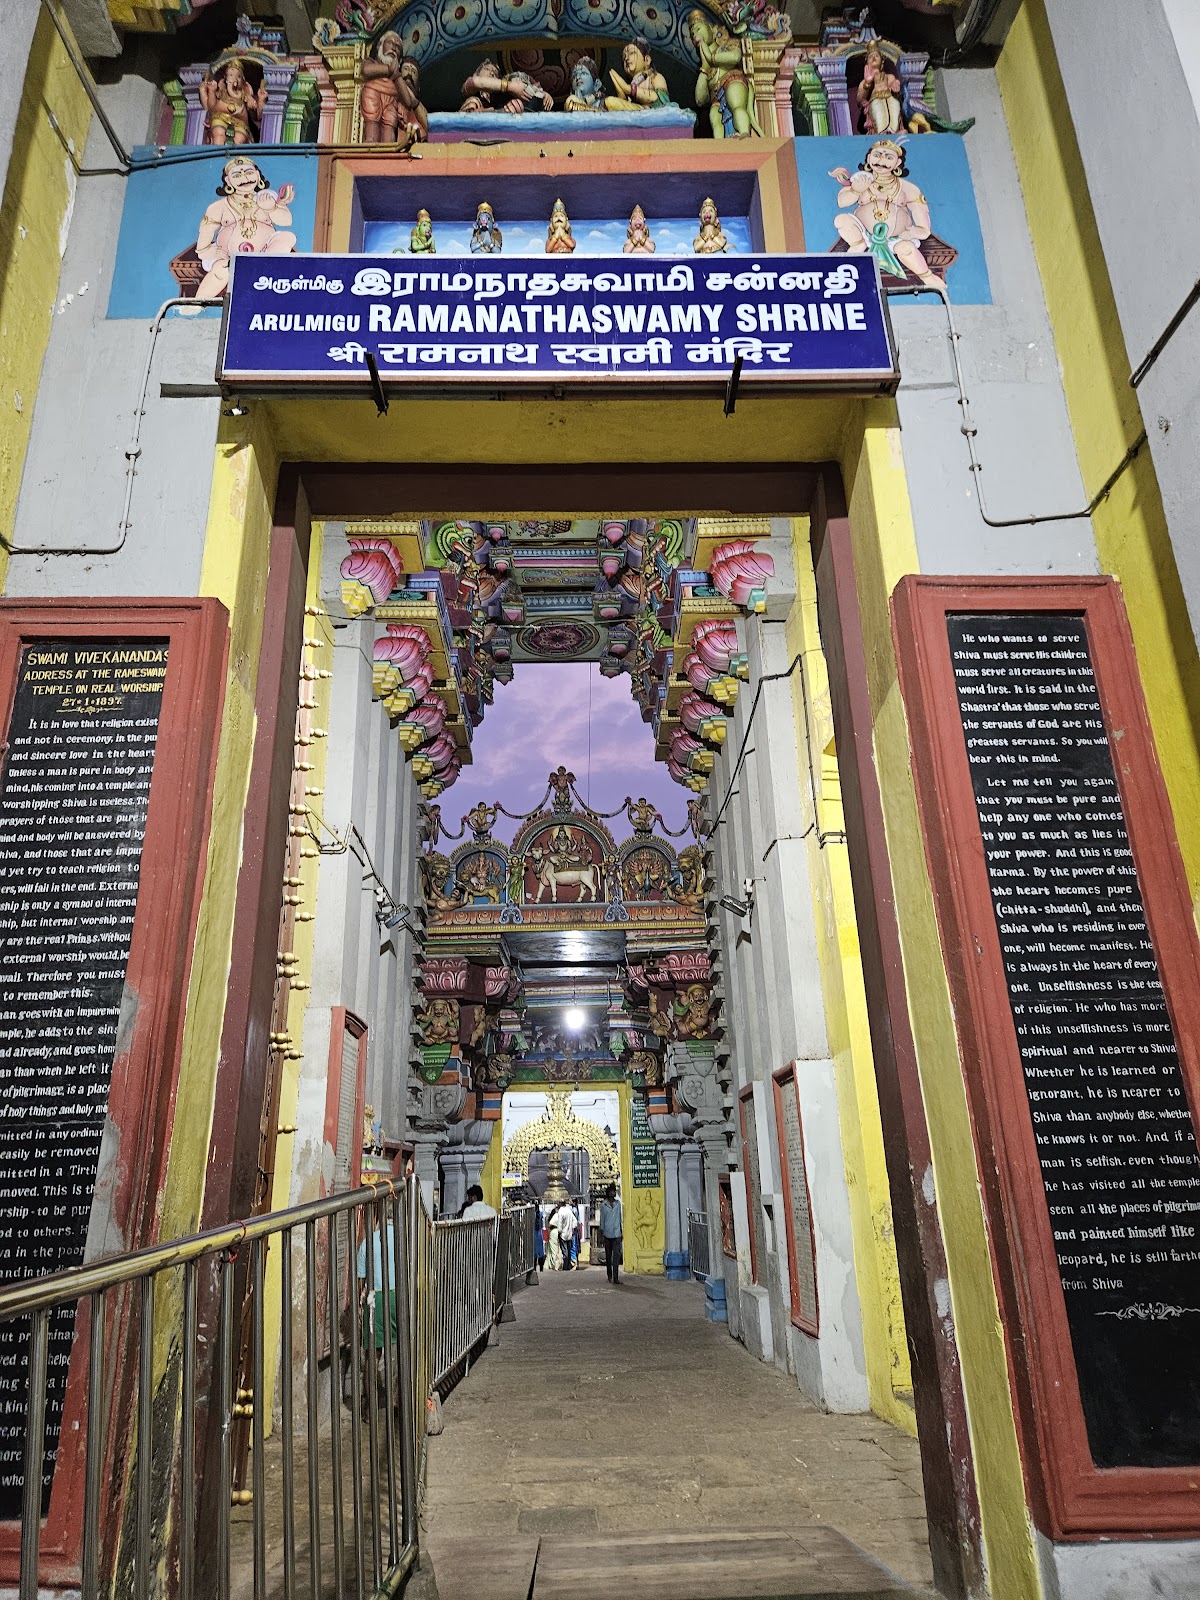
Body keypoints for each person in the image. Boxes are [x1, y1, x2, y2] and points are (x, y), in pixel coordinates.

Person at [599, 1183, 623, 1284]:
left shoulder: (618, 1204)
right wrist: (602, 1234)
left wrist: (621, 1231)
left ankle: (616, 1277)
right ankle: (609, 1275)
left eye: (614, 1191)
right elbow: (602, 1220)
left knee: (616, 1257)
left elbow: (620, 1218)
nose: (614, 1193)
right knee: (608, 1256)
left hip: (617, 1233)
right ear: (608, 1193)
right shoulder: (603, 1205)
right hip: (607, 1234)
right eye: (612, 1191)